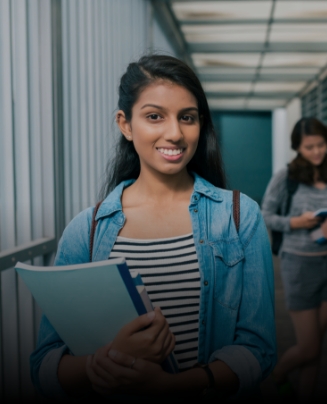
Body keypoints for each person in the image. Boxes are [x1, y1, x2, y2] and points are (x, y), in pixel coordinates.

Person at [30, 54, 276, 402]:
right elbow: (45, 364)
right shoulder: (86, 230)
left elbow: (259, 349)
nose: (174, 133)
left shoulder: (239, 217)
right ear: (125, 124)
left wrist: (173, 386)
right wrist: (102, 363)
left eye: (187, 118)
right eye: (154, 116)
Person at [261, 117, 327, 402]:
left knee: (316, 345)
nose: (317, 152)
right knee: (309, 347)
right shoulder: (285, 177)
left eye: (322, 145)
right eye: (309, 147)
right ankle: (276, 374)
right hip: (298, 264)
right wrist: (296, 223)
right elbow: (266, 215)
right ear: (297, 148)